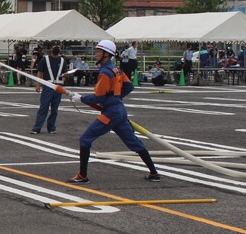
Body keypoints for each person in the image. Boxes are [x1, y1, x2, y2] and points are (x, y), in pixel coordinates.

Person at [62, 39, 160, 184]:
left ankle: (83, 176)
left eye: (98, 52)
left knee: (85, 139)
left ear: (106, 55)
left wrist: (80, 98)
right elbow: (128, 87)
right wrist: (115, 98)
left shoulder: (105, 73)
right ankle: (154, 173)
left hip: (110, 113)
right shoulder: (116, 69)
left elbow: (98, 97)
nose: (96, 54)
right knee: (134, 143)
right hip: (119, 110)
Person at [31, 44, 66, 134]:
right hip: (48, 86)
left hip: (58, 86)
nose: (56, 49)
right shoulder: (45, 59)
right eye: (54, 47)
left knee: (55, 109)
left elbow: (64, 73)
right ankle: (37, 128)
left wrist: (65, 77)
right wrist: (38, 85)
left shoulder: (62, 60)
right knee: (44, 107)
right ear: (51, 49)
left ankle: (51, 127)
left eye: (57, 47)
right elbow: (40, 72)